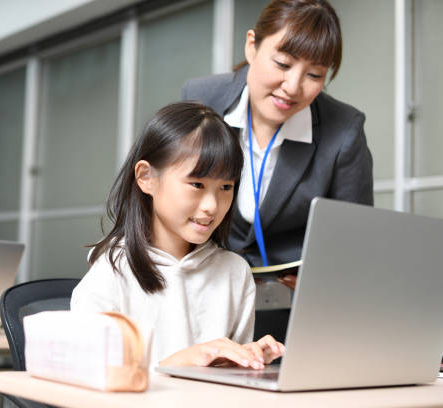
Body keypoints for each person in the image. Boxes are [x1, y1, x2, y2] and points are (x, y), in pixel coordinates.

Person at [181, 0, 373, 340]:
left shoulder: (344, 130)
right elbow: (171, 197)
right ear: (252, 45)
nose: (293, 87)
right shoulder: (200, 99)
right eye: (283, 64)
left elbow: (355, 241)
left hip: (296, 311)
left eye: (314, 75)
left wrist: (328, 274)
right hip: (202, 294)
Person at [71, 102, 284, 369]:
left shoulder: (235, 272)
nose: (212, 205)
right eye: (197, 184)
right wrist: (176, 364)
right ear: (146, 177)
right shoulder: (112, 271)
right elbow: (88, 382)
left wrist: (243, 362)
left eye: (226, 186)